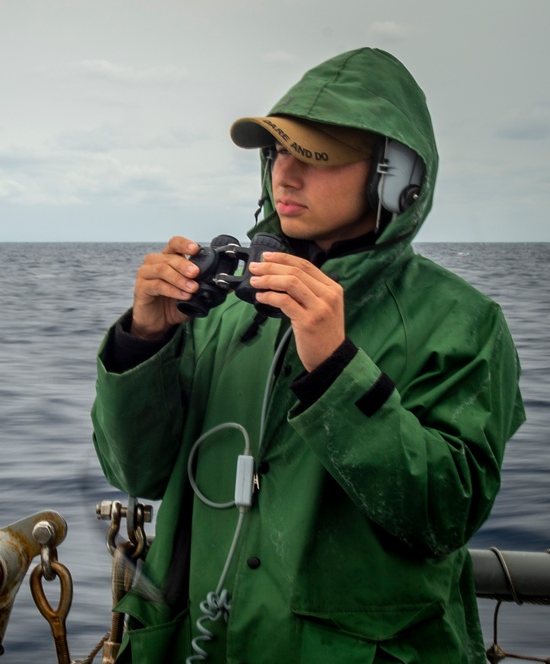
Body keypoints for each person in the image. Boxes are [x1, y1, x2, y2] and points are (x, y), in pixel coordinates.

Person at [91, 47, 525, 663]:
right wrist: (145, 340)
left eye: (316, 157)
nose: (286, 175)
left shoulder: (464, 323)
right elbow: (138, 474)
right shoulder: (228, 310)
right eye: (278, 152)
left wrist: (337, 369)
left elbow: (446, 515)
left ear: (395, 178)